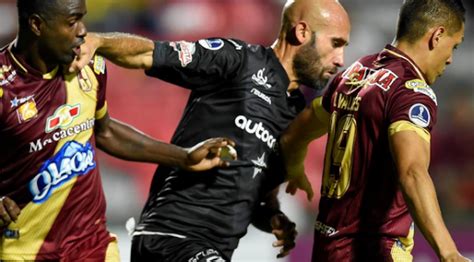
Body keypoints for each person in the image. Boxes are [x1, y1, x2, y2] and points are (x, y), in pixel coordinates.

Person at [72, 0, 350, 260]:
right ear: (302, 32)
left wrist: (272, 217)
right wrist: (98, 41)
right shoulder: (238, 61)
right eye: (335, 43)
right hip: (171, 238)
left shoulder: (294, 111)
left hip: (211, 249)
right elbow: (148, 53)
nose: (340, 60)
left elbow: (250, 190)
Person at [0, 0, 236, 261]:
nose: (82, 30)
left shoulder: (87, 64)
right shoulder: (4, 86)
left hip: (92, 246)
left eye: (83, 18)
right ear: (36, 25)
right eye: (71, 22)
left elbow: (105, 131)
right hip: (23, 251)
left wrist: (182, 157)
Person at [280, 0, 470, 261]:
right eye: (454, 45)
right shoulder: (411, 92)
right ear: (437, 36)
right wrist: (448, 252)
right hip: (375, 249)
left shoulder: (352, 75)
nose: (450, 58)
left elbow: (298, 130)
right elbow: (413, 172)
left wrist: (294, 165)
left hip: (327, 248)